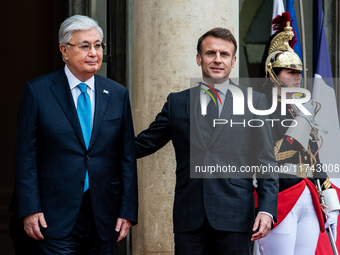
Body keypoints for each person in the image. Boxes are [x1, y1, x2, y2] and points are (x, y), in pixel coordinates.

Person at [135, 27, 279, 255]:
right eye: (211, 53)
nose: (217, 60)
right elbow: (143, 144)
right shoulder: (177, 102)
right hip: (189, 215)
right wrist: (97, 144)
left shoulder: (255, 102)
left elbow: (266, 162)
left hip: (236, 215)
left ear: (233, 61)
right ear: (199, 58)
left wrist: (267, 209)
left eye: (224, 54)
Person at [15, 15, 138, 254]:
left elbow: (126, 156)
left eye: (98, 45)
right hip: (53, 215)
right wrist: (30, 208)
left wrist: (127, 210)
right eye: (85, 46)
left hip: (105, 215)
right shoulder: (38, 91)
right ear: (64, 50)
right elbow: (25, 156)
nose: (94, 52)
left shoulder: (117, 93)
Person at [254, 12, 340, 255]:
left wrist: (329, 197)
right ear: (273, 74)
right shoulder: (260, 107)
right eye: (289, 72)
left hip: (309, 194)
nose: (297, 77)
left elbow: (314, 156)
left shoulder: (301, 108)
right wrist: (299, 129)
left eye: (299, 72)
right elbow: (264, 155)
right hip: (280, 194)